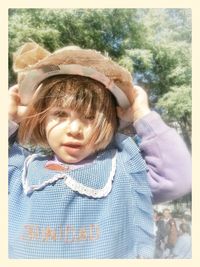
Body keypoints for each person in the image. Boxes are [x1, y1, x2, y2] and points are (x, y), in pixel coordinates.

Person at [8, 42, 191, 259]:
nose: (74, 130)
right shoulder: (19, 172)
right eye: (60, 114)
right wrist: (8, 118)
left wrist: (142, 114)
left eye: (90, 117)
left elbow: (178, 177)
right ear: (41, 119)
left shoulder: (124, 172)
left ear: (110, 123)